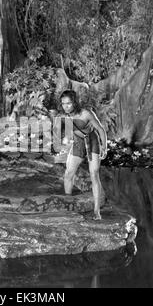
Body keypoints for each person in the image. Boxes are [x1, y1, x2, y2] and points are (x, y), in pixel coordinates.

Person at [54, 90, 107, 220]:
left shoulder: (86, 114)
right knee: (68, 174)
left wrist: (104, 147)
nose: (66, 106)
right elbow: (59, 134)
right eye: (63, 104)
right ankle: (68, 204)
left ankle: (96, 211)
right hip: (78, 144)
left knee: (94, 174)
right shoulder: (62, 116)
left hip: (92, 142)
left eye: (69, 103)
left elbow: (100, 130)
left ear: (74, 102)